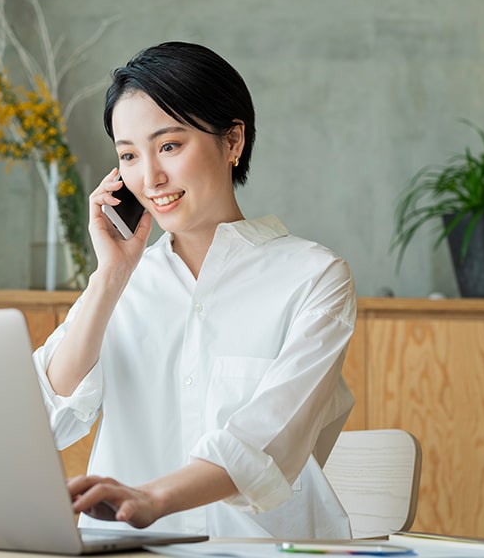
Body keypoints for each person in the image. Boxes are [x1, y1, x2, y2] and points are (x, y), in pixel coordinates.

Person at [32, 41, 356, 538]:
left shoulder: (313, 277)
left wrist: (152, 498)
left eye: (169, 146)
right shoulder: (123, 282)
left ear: (232, 142)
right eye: (128, 156)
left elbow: (263, 442)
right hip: (127, 550)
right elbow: (47, 422)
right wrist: (110, 278)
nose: (150, 177)